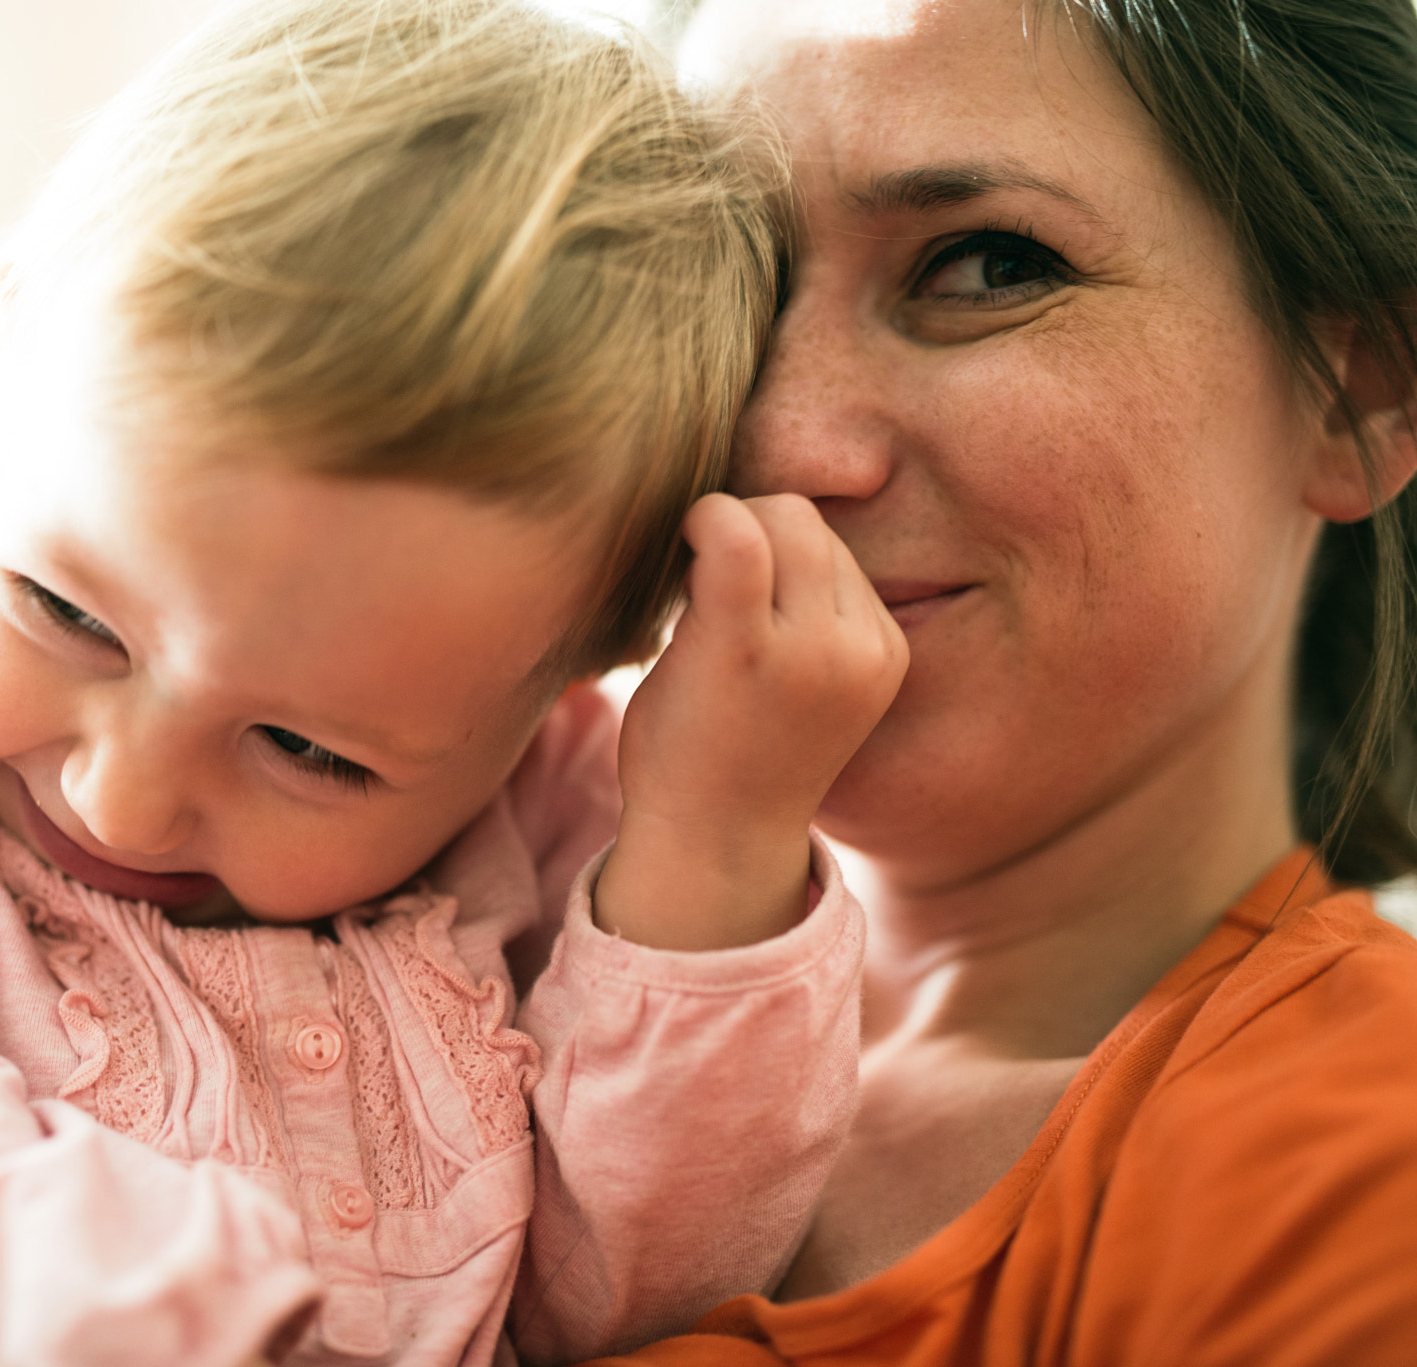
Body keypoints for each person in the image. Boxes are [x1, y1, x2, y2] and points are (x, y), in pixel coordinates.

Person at [0, 2, 904, 1366]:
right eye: (68, 612)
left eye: (312, 754)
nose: (123, 800)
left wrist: (711, 851)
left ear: (556, 699)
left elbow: (621, 1305)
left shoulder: (555, 823)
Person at [576, 0, 1417, 1362]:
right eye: (723, 282)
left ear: (1361, 390)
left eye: (985, 265)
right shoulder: (386, 915)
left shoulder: (1362, 1178)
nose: (782, 439)